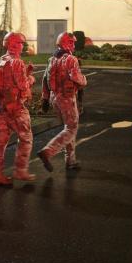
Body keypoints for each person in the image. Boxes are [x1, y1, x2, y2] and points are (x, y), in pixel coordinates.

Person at [0, 32, 36, 186]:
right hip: (15, 108)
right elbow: (23, 86)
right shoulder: (16, 62)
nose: (22, 46)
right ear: (15, 44)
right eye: (21, 43)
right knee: (26, 138)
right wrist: (31, 78)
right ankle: (20, 170)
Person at [37, 32, 87, 171]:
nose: (73, 45)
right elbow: (77, 78)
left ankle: (70, 160)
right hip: (67, 97)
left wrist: (45, 98)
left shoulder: (52, 59)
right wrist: (84, 79)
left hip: (55, 98)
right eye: (71, 42)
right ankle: (48, 151)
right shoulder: (70, 59)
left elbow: (45, 80)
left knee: (68, 128)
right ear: (65, 43)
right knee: (71, 128)